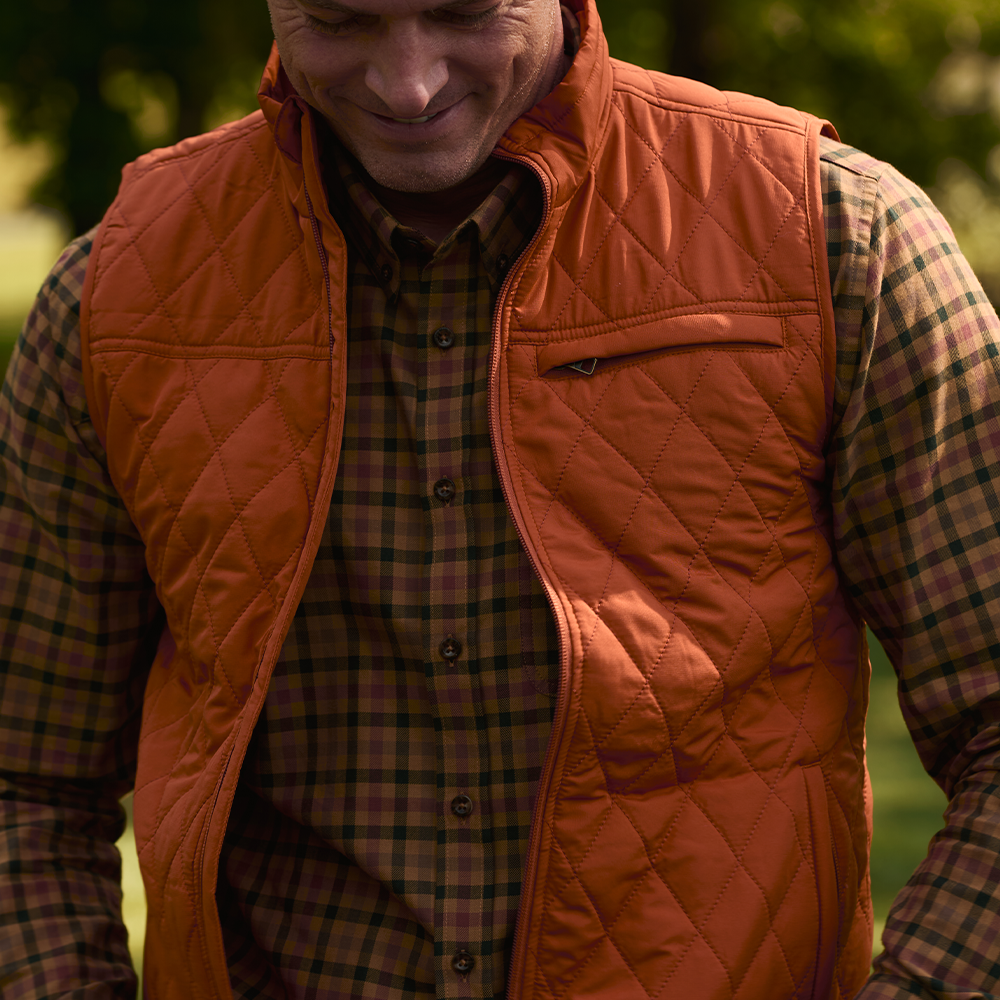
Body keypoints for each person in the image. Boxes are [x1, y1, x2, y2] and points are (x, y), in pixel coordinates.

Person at [2, 0, 999, 997]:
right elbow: (25, 778)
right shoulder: (118, 295)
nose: (408, 84)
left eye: (466, 12)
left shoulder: (836, 238)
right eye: (341, 22)